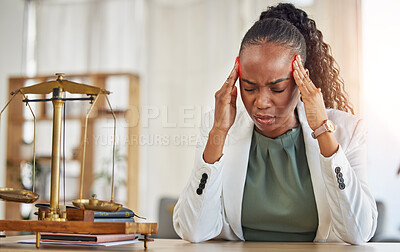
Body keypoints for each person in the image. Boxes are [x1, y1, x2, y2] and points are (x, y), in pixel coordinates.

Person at [173, 3, 377, 245]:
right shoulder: (218, 125)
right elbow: (193, 231)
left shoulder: (347, 131)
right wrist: (218, 132)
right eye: (249, 87)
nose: (261, 102)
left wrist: (322, 129)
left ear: (301, 82)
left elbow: (359, 233)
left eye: (277, 88)